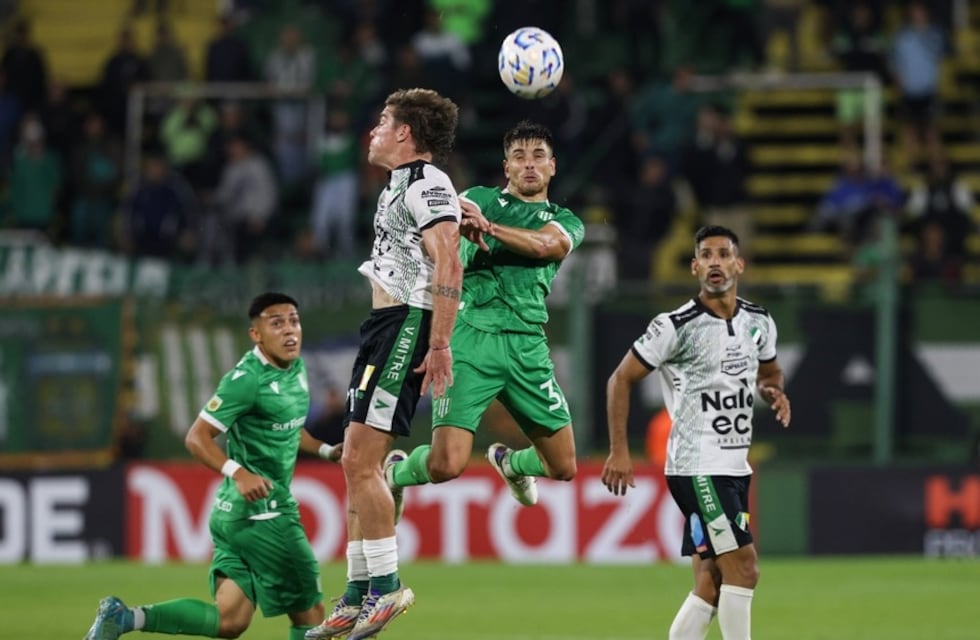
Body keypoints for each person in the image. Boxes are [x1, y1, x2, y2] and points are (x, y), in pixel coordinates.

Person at [83, 292, 343, 640]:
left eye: (293, 320)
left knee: (230, 620)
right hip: (263, 515)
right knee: (310, 615)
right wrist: (240, 473)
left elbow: (291, 429)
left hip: (234, 516)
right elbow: (197, 437)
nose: (289, 330)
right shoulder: (246, 380)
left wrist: (327, 450)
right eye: (276, 323)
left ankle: (126, 618)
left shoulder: (295, 368)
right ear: (256, 334)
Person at [305, 88, 464, 640]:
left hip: (408, 325)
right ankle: (354, 593)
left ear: (405, 134)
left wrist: (439, 343)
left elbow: (450, 257)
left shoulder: (427, 183)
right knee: (354, 458)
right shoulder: (403, 185)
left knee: (363, 461)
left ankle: (388, 586)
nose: (372, 130)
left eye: (382, 121)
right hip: (382, 328)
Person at [382, 119, 583, 520]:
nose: (529, 165)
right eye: (519, 157)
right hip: (470, 339)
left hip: (527, 344)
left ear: (553, 166)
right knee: (446, 465)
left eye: (538, 157)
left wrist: (490, 230)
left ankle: (512, 464)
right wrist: (454, 222)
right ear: (506, 167)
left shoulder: (566, 219)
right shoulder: (475, 199)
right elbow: (433, 233)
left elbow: (548, 246)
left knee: (563, 467)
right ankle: (395, 473)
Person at [601, 225, 792, 640]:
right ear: (694, 267)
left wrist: (773, 390)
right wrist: (619, 450)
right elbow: (620, 379)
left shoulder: (759, 321)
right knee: (744, 566)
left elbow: (771, 370)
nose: (715, 262)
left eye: (724, 254)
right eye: (706, 255)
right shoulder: (675, 325)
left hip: (735, 465)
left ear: (739, 264)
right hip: (697, 464)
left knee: (713, 580)